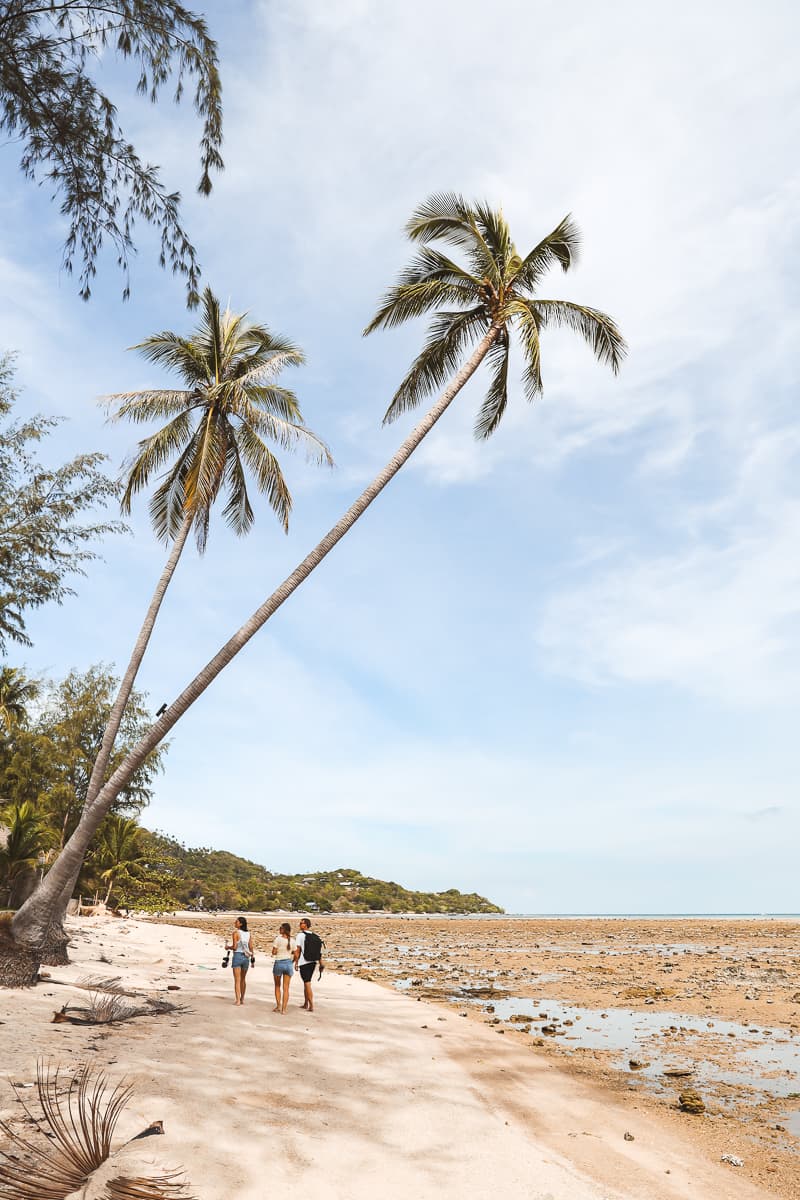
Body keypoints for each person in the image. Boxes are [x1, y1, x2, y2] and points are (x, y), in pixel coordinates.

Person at [225, 916, 254, 1007]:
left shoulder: (235, 933)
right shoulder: (248, 934)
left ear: (241, 924)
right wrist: (252, 959)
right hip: (246, 957)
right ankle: (242, 999)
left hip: (237, 956)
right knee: (243, 979)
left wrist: (227, 947)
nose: (235, 922)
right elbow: (251, 947)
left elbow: (234, 947)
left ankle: (237, 1000)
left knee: (237, 980)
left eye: (236, 921)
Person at [294, 917, 321, 1012]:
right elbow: (319, 951)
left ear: (306, 925)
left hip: (304, 962)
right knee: (306, 983)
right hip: (313, 962)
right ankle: (306, 1003)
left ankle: (311, 1005)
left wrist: (295, 962)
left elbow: (297, 950)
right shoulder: (314, 935)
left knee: (307, 983)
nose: (300, 924)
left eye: (301, 923)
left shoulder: (300, 935)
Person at [271, 921, 295, 1013]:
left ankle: (278, 1006)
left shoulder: (278, 939)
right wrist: (292, 961)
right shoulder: (292, 941)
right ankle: (284, 1009)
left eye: (280, 928)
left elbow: (274, 952)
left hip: (279, 962)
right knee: (286, 988)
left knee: (277, 986)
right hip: (288, 963)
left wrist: (275, 952)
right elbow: (295, 953)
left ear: (284, 930)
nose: (279, 930)